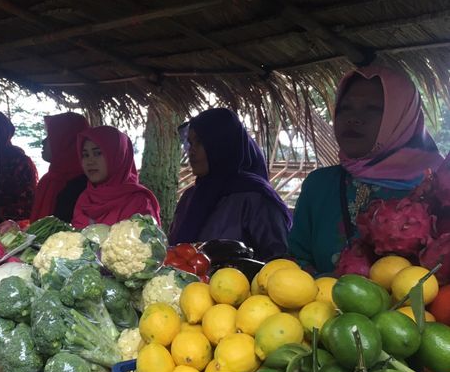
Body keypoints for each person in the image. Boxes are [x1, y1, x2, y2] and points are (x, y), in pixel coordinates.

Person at [288, 65, 445, 274]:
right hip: (314, 305)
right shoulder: (319, 185)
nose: (353, 118)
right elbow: (295, 258)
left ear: (401, 117)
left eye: (372, 109)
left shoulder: (438, 191)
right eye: (345, 108)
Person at [169, 109, 291, 260]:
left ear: (221, 145)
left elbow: (279, 261)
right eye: (190, 143)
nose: (191, 152)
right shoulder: (190, 197)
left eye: (200, 142)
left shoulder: (255, 198)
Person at [71, 126, 160, 229]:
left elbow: (147, 243)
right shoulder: (85, 199)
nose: (90, 161)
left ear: (118, 156)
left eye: (98, 153)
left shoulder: (139, 202)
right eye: (85, 155)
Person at [30, 112, 89, 223]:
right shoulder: (50, 179)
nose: (43, 141)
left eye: (50, 136)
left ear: (65, 141)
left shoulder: (81, 186)